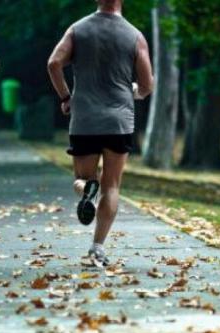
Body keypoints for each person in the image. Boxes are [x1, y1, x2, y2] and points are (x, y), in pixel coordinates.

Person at [47, 0, 153, 267]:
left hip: (84, 119)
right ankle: (97, 247)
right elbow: (147, 84)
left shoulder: (77, 29)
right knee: (113, 185)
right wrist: (133, 92)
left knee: (81, 179)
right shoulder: (134, 35)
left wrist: (65, 97)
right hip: (119, 121)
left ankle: (86, 190)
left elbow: (53, 64)